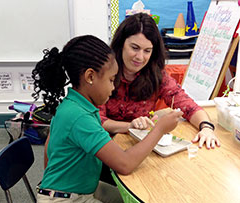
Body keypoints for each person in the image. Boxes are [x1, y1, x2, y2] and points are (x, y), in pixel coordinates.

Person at [32, 35, 183, 203]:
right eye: (111, 80)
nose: (113, 88)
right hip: (66, 199)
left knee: (132, 199)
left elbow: (49, 149)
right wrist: (160, 129)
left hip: (77, 190)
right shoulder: (80, 116)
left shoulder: (73, 105)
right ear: (90, 77)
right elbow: (125, 164)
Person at [99, 13, 220, 149]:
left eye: (147, 51)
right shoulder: (104, 72)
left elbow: (188, 105)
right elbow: (97, 120)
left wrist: (206, 128)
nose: (140, 57)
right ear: (121, 44)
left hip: (139, 146)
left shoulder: (156, 75)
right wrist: (129, 126)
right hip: (104, 146)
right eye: (134, 48)